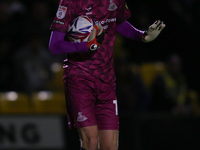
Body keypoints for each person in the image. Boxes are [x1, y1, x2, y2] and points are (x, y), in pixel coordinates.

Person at [49, 0, 165, 149]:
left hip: (106, 81)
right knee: (91, 140)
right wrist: (86, 46)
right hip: (79, 78)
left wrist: (142, 36)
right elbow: (54, 45)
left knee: (110, 145)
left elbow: (118, 22)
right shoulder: (71, 2)